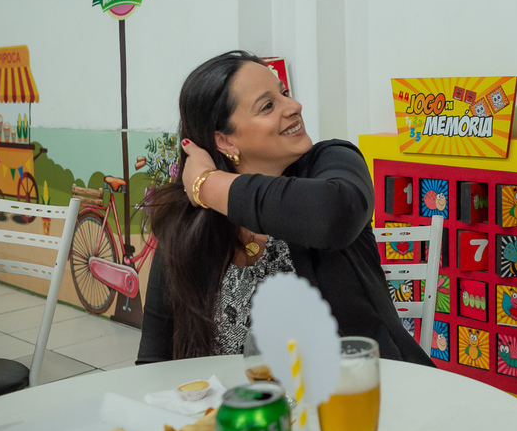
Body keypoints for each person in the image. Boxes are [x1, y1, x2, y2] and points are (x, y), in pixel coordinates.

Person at [137, 50, 432, 367]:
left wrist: (207, 185)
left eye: (284, 93)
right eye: (268, 106)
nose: (294, 107)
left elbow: (333, 215)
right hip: (236, 410)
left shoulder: (332, 162)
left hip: (354, 396)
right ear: (224, 142)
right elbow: (155, 360)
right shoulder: (187, 223)